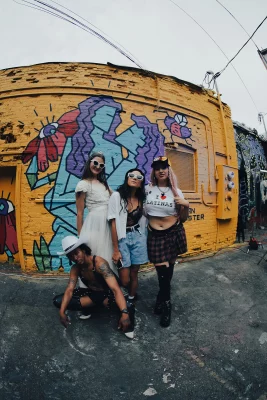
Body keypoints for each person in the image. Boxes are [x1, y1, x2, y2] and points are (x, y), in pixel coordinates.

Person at [53, 235, 132, 338]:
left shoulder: (99, 264)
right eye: (71, 256)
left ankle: (113, 309)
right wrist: (62, 312)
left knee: (127, 307)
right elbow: (69, 290)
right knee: (58, 301)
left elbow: (115, 289)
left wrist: (125, 313)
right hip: (94, 294)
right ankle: (95, 306)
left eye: (76, 253)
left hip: (110, 294)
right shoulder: (75, 268)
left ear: (84, 250)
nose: (75, 258)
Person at [145, 156, 189, 328]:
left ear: (169, 170)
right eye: (157, 168)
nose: (161, 170)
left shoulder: (177, 191)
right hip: (155, 235)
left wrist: (185, 205)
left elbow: (183, 219)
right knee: (162, 273)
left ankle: (160, 300)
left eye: (164, 167)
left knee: (168, 271)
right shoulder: (148, 189)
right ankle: (166, 305)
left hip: (174, 233)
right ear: (154, 172)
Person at [108, 169, 148, 338]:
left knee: (134, 272)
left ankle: (131, 299)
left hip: (138, 237)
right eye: (131, 175)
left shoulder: (142, 198)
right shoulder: (117, 197)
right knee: (124, 277)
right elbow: (113, 222)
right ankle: (124, 297)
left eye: (139, 177)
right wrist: (116, 249)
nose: (134, 178)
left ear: (141, 182)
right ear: (126, 178)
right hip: (123, 238)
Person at [75, 151, 115, 318]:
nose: (98, 167)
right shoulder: (83, 184)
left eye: (101, 165)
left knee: (106, 259)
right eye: (95, 163)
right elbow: (79, 213)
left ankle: (106, 298)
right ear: (89, 163)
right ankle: (87, 303)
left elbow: (116, 202)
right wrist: (80, 239)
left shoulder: (105, 185)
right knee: (89, 263)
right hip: (93, 226)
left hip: (106, 226)